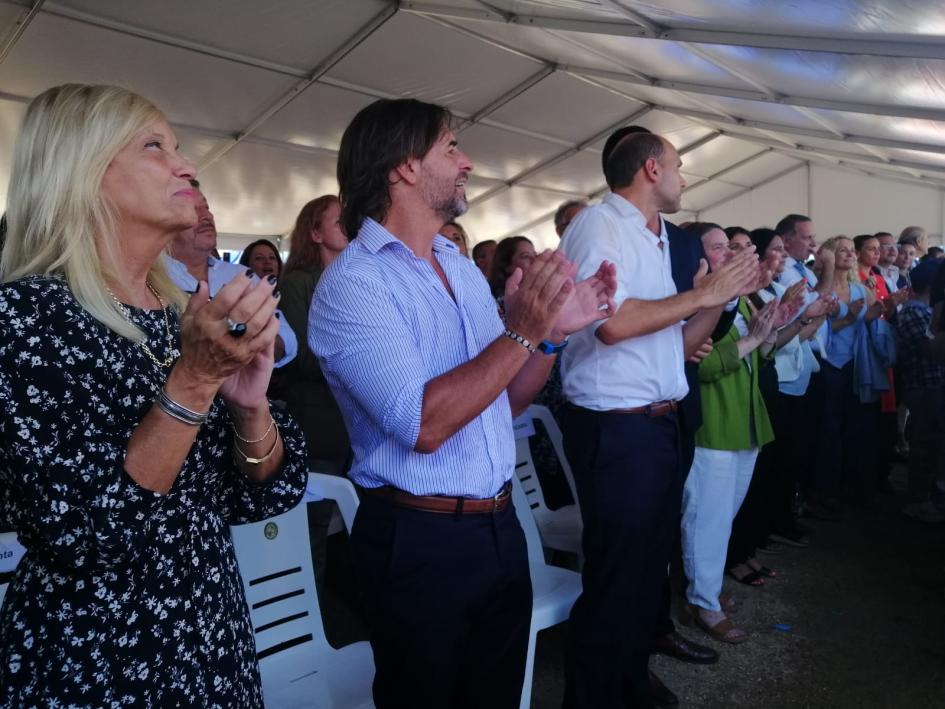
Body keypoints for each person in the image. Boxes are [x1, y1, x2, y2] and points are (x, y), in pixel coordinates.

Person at [0, 83, 307, 707]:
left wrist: (251, 406)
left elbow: (270, 493)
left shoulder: (180, 317)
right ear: (80, 171)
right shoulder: (24, 318)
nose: (187, 165)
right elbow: (87, 536)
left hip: (210, 639)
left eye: (178, 147)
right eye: (153, 146)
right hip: (100, 660)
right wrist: (193, 383)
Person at [309, 97, 616, 709]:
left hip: (499, 526)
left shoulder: (458, 264)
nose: (468, 161)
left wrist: (552, 333)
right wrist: (524, 331)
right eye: (451, 147)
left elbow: (508, 398)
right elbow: (423, 424)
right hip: (419, 539)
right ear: (404, 166)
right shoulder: (353, 285)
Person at [559, 131, 761, 709]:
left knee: (646, 575)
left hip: (656, 424)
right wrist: (703, 295)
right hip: (616, 427)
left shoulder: (655, 241)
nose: (683, 176)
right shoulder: (600, 226)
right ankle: (595, 698)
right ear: (651, 169)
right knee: (616, 578)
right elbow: (612, 324)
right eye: (678, 165)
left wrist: (718, 299)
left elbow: (675, 346)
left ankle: (629, 684)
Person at [680, 224, 788, 644]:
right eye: (721, 247)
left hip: (744, 421)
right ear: (699, 256)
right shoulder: (696, 299)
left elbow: (759, 354)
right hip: (715, 424)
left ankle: (707, 593)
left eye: (734, 246)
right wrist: (752, 341)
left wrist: (771, 329)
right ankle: (703, 603)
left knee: (722, 519)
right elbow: (699, 366)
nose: (730, 254)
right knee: (705, 520)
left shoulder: (734, 299)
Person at [166, 182, 298, 368]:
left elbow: (286, 336)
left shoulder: (241, 274)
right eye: (192, 209)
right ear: (163, 222)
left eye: (206, 207)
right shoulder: (151, 278)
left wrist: (255, 349)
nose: (207, 216)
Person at [895, 260, 945, 523]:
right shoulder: (915, 312)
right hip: (923, 386)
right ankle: (917, 501)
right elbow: (929, 352)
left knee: (932, 442)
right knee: (925, 444)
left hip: (931, 385)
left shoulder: (921, 310)